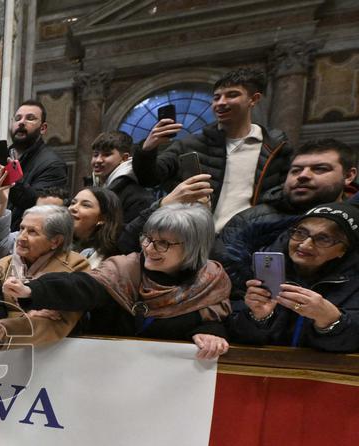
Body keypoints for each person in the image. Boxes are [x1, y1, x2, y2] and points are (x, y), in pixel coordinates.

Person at [2, 204, 232, 359]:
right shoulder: (124, 269)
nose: (150, 249)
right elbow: (81, 286)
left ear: (193, 248)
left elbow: (213, 318)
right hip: (103, 376)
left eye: (163, 243)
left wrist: (211, 331)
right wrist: (32, 291)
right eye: (148, 239)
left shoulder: (211, 282)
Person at [132, 68, 292, 232]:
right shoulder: (191, 143)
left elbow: (285, 196)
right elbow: (149, 179)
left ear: (253, 99)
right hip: (198, 236)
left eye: (232, 95)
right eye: (216, 97)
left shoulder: (275, 147)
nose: (221, 102)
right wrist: (148, 148)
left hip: (250, 237)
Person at [218, 139, 358, 296]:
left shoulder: (354, 225)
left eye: (319, 169)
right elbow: (223, 287)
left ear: (349, 176)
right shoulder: (251, 220)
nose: (303, 176)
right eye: (296, 170)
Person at [228, 203, 359, 352]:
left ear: (344, 250)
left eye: (324, 239)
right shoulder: (257, 267)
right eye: (300, 233)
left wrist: (332, 320)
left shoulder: (354, 284)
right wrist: (259, 317)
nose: (305, 244)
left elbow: (352, 345)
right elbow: (234, 335)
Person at [0, 205, 91, 347]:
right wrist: (28, 315)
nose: (21, 237)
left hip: (55, 356)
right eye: (21, 228)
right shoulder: (3, 264)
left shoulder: (76, 266)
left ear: (55, 241)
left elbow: (59, 324)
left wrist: (8, 326)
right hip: (1, 351)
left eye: (32, 232)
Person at [0, 100, 69, 232]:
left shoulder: (53, 164)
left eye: (30, 118)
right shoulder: (6, 156)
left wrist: (11, 176)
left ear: (43, 128)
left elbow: (37, 205)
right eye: (18, 118)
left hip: (21, 239)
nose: (21, 122)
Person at [90, 130, 154, 225]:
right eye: (95, 155)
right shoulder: (93, 187)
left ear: (124, 158)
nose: (98, 160)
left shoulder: (138, 197)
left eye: (107, 154)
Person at [67, 186, 124, 269]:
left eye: (85, 205)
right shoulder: (57, 242)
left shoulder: (107, 261)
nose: (73, 208)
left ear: (103, 218)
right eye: (73, 203)